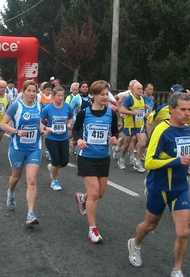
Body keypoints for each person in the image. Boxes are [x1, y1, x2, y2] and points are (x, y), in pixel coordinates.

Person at [127, 92, 190, 277]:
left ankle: (177, 269)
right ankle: (135, 243)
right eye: (183, 109)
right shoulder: (161, 130)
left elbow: (180, 154)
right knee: (150, 225)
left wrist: (186, 166)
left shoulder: (187, 129)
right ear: (171, 110)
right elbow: (149, 162)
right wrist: (177, 162)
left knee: (184, 232)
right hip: (159, 186)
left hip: (180, 187)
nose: (187, 113)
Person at [72, 80, 119, 244]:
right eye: (102, 94)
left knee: (100, 193)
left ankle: (82, 199)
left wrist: (114, 139)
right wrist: (78, 140)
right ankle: (92, 229)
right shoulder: (85, 113)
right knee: (94, 193)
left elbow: (114, 132)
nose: (105, 97)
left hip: (103, 157)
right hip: (86, 157)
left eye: (107, 94)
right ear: (94, 95)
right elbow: (75, 129)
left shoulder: (111, 114)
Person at [1, 80, 44, 226]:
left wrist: (44, 129)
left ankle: (30, 214)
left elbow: (39, 123)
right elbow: (3, 124)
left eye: (34, 91)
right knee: (16, 177)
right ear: (23, 91)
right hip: (18, 148)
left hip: (34, 148)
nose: (32, 94)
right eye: (29, 91)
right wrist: (16, 131)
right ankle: (11, 193)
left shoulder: (39, 106)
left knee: (32, 180)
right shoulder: (16, 105)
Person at [41, 86, 73, 190]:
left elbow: (71, 118)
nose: (61, 98)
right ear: (53, 96)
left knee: (64, 162)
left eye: (62, 95)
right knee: (56, 160)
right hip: (52, 138)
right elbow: (40, 121)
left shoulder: (67, 107)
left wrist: (69, 124)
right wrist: (46, 128)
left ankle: (52, 168)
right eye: (58, 95)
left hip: (64, 137)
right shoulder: (48, 108)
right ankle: (54, 181)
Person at [117, 81, 148, 173]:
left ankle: (138, 162)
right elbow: (122, 109)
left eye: (141, 89)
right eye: (138, 89)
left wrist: (145, 113)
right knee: (126, 144)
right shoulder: (129, 98)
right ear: (133, 90)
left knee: (143, 143)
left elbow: (140, 111)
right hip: (130, 125)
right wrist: (133, 113)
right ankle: (121, 159)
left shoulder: (142, 98)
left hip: (139, 125)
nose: (140, 90)